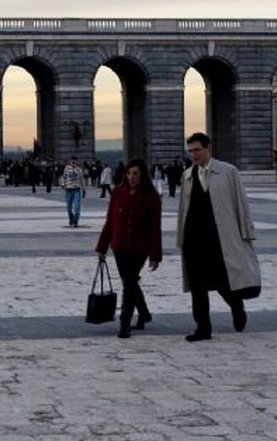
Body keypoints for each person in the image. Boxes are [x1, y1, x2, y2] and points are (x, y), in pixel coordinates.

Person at [176, 132, 261, 342]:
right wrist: (181, 239)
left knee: (223, 282)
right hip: (194, 239)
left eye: (197, 150)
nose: (193, 154)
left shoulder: (228, 172)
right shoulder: (187, 176)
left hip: (220, 238)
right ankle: (203, 327)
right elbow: (182, 210)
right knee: (198, 286)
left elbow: (241, 203)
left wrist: (246, 232)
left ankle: (236, 305)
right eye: (190, 151)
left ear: (208, 148)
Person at [95, 158, 162, 338]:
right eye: (129, 173)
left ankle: (125, 323)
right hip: (119, 246)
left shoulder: (152, 196)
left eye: (136, 174)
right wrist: (102, 247)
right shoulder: (118, 192)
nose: (132, 177)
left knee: (129, 282)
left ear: (142, 176)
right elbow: (110, 222)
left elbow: (155, 228)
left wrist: (155, 255)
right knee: (129, 282)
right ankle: (144, 314)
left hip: (140, 247)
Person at [61, 156, 84, 227]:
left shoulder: (79, 169)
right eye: (72, 161)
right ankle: (71, 218)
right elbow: (64, 177)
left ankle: (75, 221)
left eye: (75, 161)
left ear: (77, 162)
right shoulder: (66, 169)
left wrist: (83, 188)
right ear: (70, 161)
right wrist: (62, 184)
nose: (73, 162)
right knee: (69, 207)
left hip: (76, 190)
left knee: (77, 206)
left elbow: (81, 179)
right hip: (68, 190)